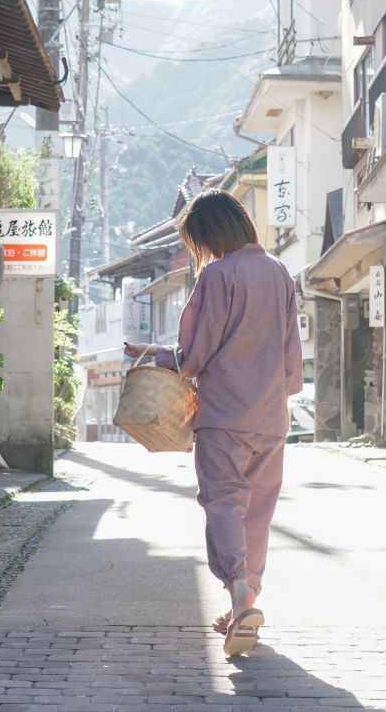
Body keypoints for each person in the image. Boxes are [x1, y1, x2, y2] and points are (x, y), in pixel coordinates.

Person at [125, 189, 302, 656]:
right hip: (271, 416)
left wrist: (163, 356)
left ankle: (239, 590)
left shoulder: (218, 275)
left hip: (225, 415)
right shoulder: (279, 272)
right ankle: (245, 604)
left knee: (223, 503)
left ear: (210, 234)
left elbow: (195, 354)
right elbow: (291, 357)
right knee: (257, 511)